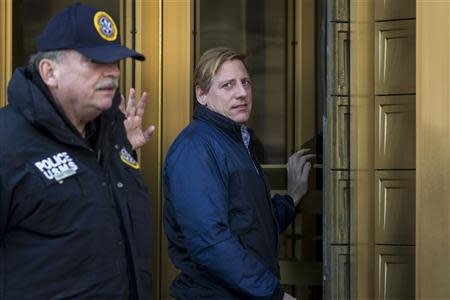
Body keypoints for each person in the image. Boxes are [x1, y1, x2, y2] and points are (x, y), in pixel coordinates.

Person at [0, 3, 154, 299]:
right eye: (95, 61)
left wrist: (125, 152)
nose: (113, 72)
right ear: (49, 72)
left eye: (116, 61)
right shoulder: (7, 144)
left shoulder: (111, 134)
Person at [163, 47, 315, 300]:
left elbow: (249, 225)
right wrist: (272, 294)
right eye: (227, 86)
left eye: (245, 82)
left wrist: (291, 199)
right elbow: (211, 242)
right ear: (201, 95)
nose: (242, 93)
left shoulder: (236, 142)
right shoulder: (195, 148)